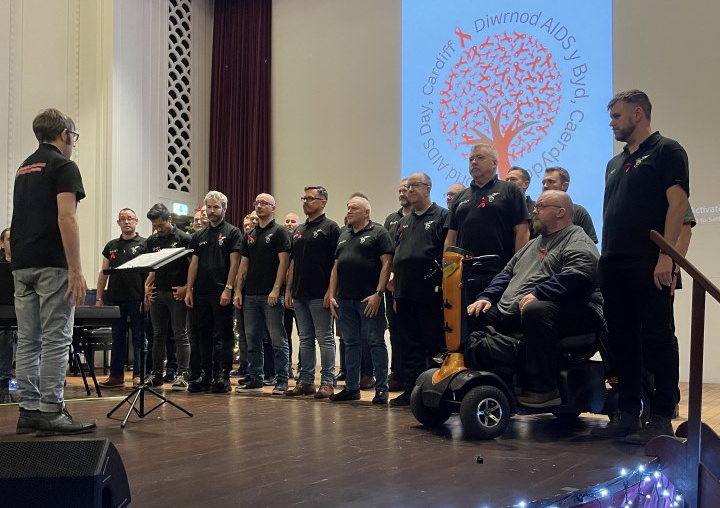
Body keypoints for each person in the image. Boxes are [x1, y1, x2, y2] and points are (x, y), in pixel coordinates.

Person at [592, 90, 689, 444]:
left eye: (617, 117)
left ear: (637, 114)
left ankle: (663, 413)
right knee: (622, 340)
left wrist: (667, 256)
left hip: (650, 261)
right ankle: (630, 410)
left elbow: (677, 205)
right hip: (615, 263)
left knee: (658, 338)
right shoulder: (614, 163)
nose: (612, 124)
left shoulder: (667, 151)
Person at [467, 191, 604, 407]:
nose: (534, 211)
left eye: (541, 206)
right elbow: (506, 273)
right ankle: (496, 384)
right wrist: (486, 297)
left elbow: (581, 273)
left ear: (561, 212)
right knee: (477, 312)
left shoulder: (576, 238)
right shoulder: (533, 244)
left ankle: (544, 390)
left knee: (536, 311)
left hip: (578, 310)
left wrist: (540, 293)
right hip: (521, 308)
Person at [11, 108, 94, 435]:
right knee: (58, 339)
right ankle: (52, 411)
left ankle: (28, 410)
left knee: (29, 339)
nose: (74, 142)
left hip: (22, 263)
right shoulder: (64, 165)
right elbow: (66, 218)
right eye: (73, 136)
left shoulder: (23, 168)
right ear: (63, 134)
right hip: (50, 262)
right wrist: (75, 269)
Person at [327, 196, 393, 404]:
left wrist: (378, 294)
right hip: (345, 300)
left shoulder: (379, 232)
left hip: (369, 299)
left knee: (375, 342)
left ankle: (381, 389)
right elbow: (336, 267)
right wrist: (331, 294)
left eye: (354, 208)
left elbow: (387, 264)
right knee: (350, 343)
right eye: (348, 207)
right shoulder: (343, 235)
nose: (349, 211)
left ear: (366, 212)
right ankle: (352, 388)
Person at [390, 172, 448, 406]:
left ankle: (433, 391)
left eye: (415, 186)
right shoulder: (404, 221)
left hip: (429, 291)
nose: (410, 190)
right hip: (404, 291)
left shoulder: (442, 216)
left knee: (432, 343)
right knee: (408, 343)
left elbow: (447, 252)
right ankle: (411, 390)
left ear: (428, 188)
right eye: (407, 186)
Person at [444, 143, 529, 296]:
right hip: (464, 273)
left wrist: (518, 268)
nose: (474, 162)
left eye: (480, 158)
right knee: (465, 319)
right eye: (470, 159)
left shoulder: (510, 190)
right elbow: (451, 237)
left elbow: (522, 231)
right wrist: (447, 272)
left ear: (494, 163)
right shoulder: (460, 197)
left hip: (500, 271)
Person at [284, 186, 340, 398]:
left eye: (310, 198)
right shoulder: (298, 230)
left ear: (323, 201)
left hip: (320, 293)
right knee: (305, 338)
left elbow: (336, 263)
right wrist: (289, 289)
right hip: (299, 293)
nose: (306, 201)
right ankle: (306, 381)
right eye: (304, 198)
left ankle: (327, 381)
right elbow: (293, 262)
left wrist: (331, 291)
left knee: (324, 338)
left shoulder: (331, 227)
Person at [185, 191, 242, 393]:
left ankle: (222, 376)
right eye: (209, 207)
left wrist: (228, 288)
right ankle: (206, 376)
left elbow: (235, 263)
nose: (211, 211)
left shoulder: (233, 232)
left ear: (224, 209)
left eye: (216, 207)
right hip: (200, 293)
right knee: (203, 336)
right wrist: (189, 290)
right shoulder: (198, 236)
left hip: (221, 293)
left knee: (223, 336)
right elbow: (194, 264)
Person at [235, 194, 292, 395]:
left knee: (277, 339)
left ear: (273, 208)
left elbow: (284, 262)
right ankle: (256, 378)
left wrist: (277, 289)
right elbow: (243, 264)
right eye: (256, 203)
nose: (259, 206)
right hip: (250, 295)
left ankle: (282, 380)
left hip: (270, 295)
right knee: (252, 339)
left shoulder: (280, 232)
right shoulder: (249, 234)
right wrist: (238, 291)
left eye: (264, 203)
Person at [143, 203, 192, 390]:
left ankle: (182, 374)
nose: (158, 229)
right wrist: (147, 287)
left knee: (180, 334)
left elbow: (193, 267)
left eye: (161, 225)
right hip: (158, 292)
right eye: (155, 226)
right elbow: (152, 268)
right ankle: (156, 374)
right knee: (157, 335)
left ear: (169, 220)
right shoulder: (152, 241)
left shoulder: (184, 238)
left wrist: (187, 288)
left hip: (176, 293)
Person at [96, 208, 146, 388]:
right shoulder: (111, 246)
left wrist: (147, 295)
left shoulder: (144, 244)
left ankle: (139, 375)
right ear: (118, 223)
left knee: (139, 337)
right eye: (123, 219)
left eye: (130, 219)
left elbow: (150, 273)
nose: (126, 222)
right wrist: (99, 298)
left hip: (137, 298)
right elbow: (103, 273)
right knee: (117, 337)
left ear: (136, 221)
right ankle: (116, 376)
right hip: (115, 298)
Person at [383, 179, 411, 392]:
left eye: (406, 189)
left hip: (413, 284)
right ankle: (397, 373)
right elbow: (387, 253)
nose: (402, 193)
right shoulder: (392, 219)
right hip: (392, 285)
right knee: (395, 332)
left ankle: (413, 376)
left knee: (411, 332)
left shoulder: (427, 216)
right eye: (399, 189)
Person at [541, 167, 598, 243]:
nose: (545, 186)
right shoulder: (537, 212)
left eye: (551, 182)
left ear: (564, 186)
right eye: (543, 183)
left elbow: (590, 244)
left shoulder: (579, 212)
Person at [283, 212, 301, 379]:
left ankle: (302, 367)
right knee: (285, 332)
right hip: (284, 294)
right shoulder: (281, 242)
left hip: (301, 293)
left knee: (304, 334)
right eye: (287, 221)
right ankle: (286, 366)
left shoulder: (301, 242)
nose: (289, 224)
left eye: (293, 221)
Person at [0, 228, 15, 403]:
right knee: (5, 333)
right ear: (2, 243)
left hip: (24, 310)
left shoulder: (27, 264)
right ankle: (3, 380)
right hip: (4, 312)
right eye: (10, 239)